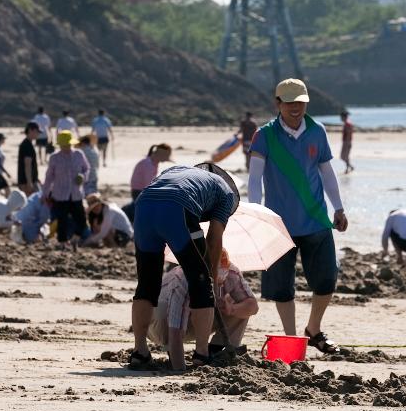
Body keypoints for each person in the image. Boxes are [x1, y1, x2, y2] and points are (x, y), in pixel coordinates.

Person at [248, 78, 348, 355]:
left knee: (327, 279)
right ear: (278, 103)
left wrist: (338, 207)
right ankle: (291, 340)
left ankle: (313, 329)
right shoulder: (264, 135)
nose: (296, 107)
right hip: (278, 224)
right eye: (290, 102)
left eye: (301, 102)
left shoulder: (317, 131)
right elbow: (254, 179)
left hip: (316, 219)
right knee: (281, 287)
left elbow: (327, 173)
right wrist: (257, 213)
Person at [128, 163, 239, 371]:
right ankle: (202, 354)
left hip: (144, 205)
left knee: (146, 284)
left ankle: (140, 351)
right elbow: (214, 239)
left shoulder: (178, 171)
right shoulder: (226, 193)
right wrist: (212, 279)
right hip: (177, 208)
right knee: (201, 285)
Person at [148, 248, 259, 368]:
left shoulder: (231, 272)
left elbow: (252, 306)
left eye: (220, 281)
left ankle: (215, 351)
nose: (217, 284)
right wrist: (180, 370)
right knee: (162, 310)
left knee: (242, 308)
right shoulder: (183, 279)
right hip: (160, 325)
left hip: (199, 321)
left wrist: (232, 309)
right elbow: (175, 329)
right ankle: (181, 352)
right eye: (213, 280)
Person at [41, 130, 91, 248]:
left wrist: (83, 177)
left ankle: (75, 238)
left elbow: (87, 168)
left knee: (81, 220)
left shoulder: (79, 154)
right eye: (64, 145)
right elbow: (49, 177)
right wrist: (45, 193)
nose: (67, 147)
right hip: (59, 194)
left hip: (76, 194)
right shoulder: (54, 158)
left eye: (68, 144)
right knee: (61, 220)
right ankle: (62, 243)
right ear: (60, 145)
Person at [16, 122, 40, 195]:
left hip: (28, 180)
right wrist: (29, 183)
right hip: (26, 182)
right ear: (30, 130)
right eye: (37, 132)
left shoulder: (27, 144)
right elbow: (27, 165)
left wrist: (36, 179)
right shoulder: (27, 145)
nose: (38, 134)